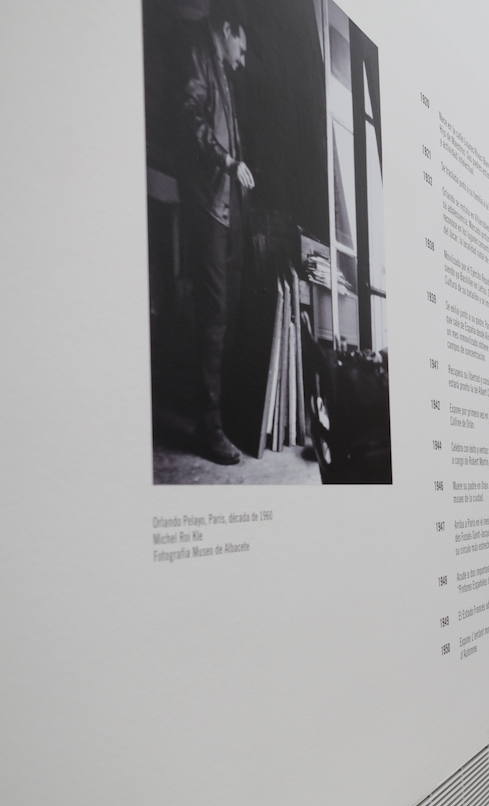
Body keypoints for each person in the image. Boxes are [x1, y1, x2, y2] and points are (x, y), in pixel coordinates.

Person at [180, 1, 255, 465]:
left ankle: (217, 419)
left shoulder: (221, 69)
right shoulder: (199, 53)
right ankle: (208, 428)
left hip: (225, 208)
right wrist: (228, 161)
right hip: (208, 205)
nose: (241, 59)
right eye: (241, 48)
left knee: (224, 313)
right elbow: (191, 121)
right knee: (213, 318)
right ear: (228, 30)